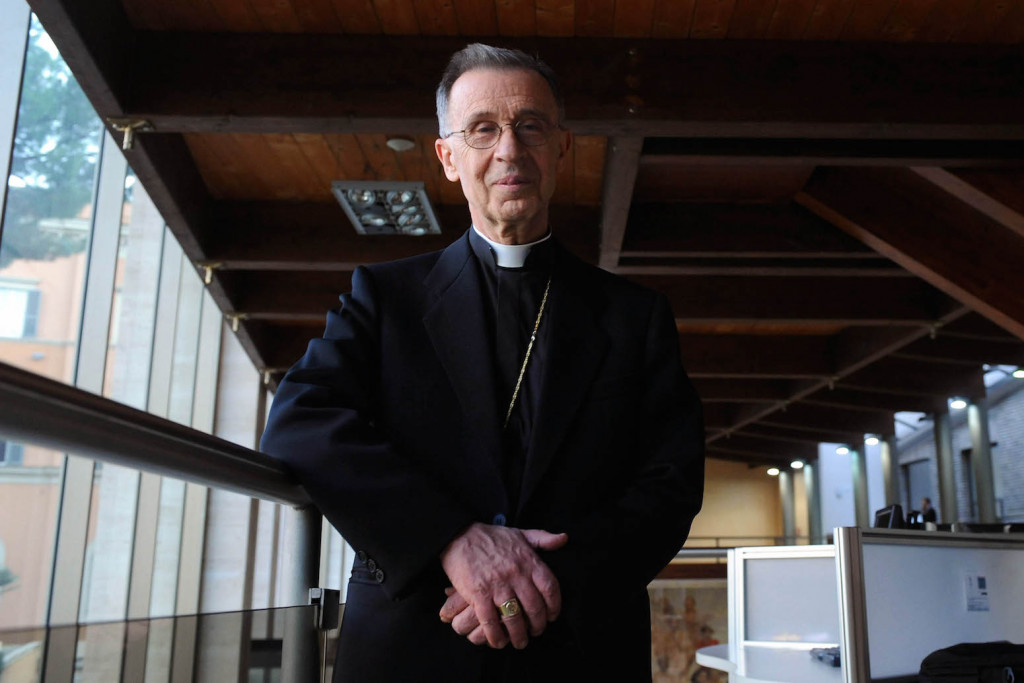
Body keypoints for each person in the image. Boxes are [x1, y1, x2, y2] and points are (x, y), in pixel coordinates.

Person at [260, 43, 705, 682]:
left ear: (561, 148)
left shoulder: (634, 317)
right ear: (448, 157)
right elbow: (300, 420)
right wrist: (449, 538)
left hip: (579, 641)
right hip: (414, 641)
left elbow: (671, 481)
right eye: (482, 129)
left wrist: (541, 581)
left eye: (531, 126)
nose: (509, 150)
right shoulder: (385, 298)